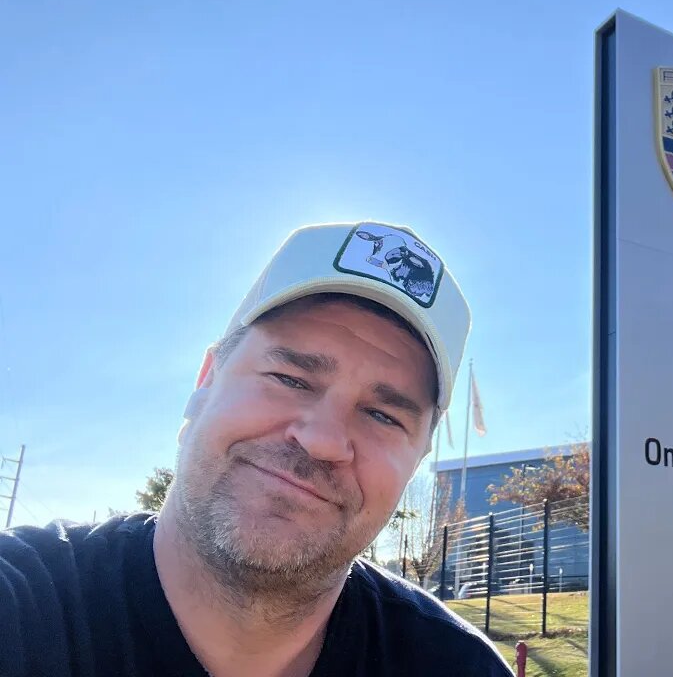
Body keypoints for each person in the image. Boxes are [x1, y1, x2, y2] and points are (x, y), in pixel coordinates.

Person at [0, 221, 514, 676]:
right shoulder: (24, 607)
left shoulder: (457, 665)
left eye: (383, 415)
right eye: (289, 377)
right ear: (206, 381)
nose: (322, 440)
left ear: (418, 459)